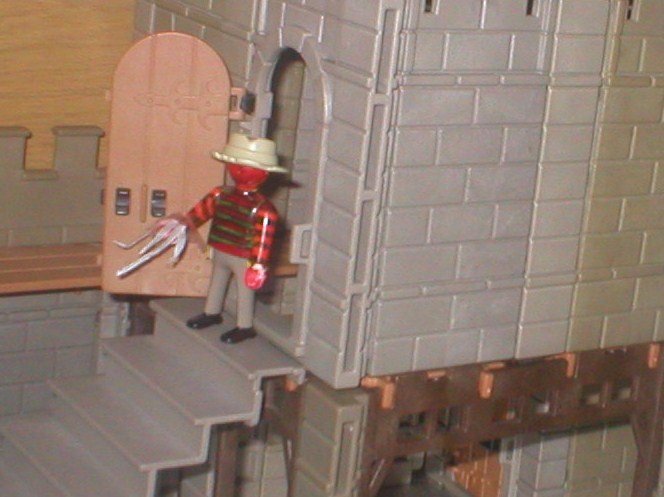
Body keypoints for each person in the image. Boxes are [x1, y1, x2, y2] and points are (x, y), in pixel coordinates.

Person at [183, 133, 287, 343]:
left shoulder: (264, 208)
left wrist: (258, 265)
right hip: (220, 247)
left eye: (248, 166)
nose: (240, 170)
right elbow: (200, 212)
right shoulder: (220, 194)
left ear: (264, 173)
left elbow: (264, 239)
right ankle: (211, 312)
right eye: (236, 164)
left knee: (245, 290)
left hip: (243, 255)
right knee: (217, 280)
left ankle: (244, 325)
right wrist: (183, 223)